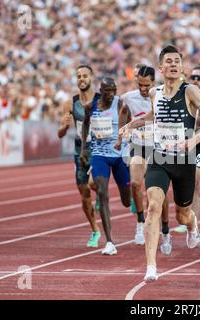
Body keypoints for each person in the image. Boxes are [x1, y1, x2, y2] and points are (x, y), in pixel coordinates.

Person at [119, 45, 200, 282]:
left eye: (177, 61)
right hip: (160, 157)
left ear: (181, 66)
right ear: (161, 67)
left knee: (182, 215)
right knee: (153, 206)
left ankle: (193, 225)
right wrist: (129, 126)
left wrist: (194, 139)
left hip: (185, 160)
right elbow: (152, 117)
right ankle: (151, 267)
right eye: (169, 61)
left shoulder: (191, 91)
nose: (174, 64)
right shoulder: (155, 93)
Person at [118, 66, 172, 254]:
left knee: (159, 195)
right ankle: (140, 222)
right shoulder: (128, 97)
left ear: (153, 82)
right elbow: (124, 111)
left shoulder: (162, 95)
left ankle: (165, 231)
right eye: (140, 84)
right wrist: (121, 135)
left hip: (157, 148)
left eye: (146, 85)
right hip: (138, 146)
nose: (142, 88)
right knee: (134, 183)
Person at [81, 77, 132, 255]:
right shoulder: (91, 106)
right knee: (102, 193)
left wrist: (125, 140)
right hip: (99, 155)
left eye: (113, 90)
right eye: (107, 90)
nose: (111, 94)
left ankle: (130, 198)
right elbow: (86, 124)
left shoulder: (120, 103)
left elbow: (130, 122)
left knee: (126, 200)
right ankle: (109, 241)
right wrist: (84, 148)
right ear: (100, 91)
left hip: (120, 155)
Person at [57, 65, 101, 248]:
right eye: (78, 76)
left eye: (85, 76)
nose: (81, 79)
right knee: (84, 193)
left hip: (99, 148)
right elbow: (59, 134)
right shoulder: (70, 103)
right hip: (80, 151)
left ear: (92, 77)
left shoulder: (103, 100)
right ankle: (95, 231)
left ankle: (101, 194)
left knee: (94, 183)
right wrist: (64, 127)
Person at [173, 65, 200, 234]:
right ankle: (185, 216)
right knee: (180, 183)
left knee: (197, 182)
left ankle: (194, 224)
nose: (197, 81)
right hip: (181, 143)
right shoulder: (183, 94)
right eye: (194, 78)